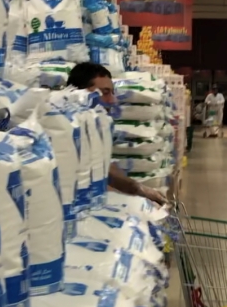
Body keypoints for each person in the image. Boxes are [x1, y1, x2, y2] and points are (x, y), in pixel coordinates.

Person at [67, 61, 167, 206]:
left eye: (112, 93)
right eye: (105, 93)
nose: (113, 100)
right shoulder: (64, 131)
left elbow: (104, 167)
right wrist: (129, 203)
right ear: (80, 93)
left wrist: (138, 189)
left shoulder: (97, 127)